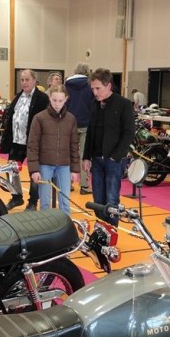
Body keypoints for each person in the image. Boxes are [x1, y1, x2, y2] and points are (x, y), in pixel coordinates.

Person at [82, 68, 135, 227]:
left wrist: (116, 156)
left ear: (109, 86)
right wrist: (86, 157)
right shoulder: (93, 105)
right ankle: (101, 229)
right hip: (96, 160)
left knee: (112, 199)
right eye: (92, 89)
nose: (95, 92)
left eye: (98, 88)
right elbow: (90, 132)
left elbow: (129, 133)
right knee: (98, 199)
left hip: (114, 160)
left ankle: (112, 231)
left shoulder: (124, 104)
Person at [0, 69, 50, 211]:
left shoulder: (42, 98)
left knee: (34, 172)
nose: (24, 82)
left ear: (34, 81)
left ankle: (33, 202)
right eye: (22, 80)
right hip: (16, 141)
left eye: (27, 80)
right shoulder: (18, 96)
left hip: (33, 142)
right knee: (11, 171)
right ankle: (16, 197)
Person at [27, 85, 80, 215]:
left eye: (60, 101)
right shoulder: (39, 118)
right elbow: (32, 145)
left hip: (64, 166)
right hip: (45, 165)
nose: (57, 104)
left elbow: (74, 145)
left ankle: (66, 226)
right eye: (54, 100)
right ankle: (45, 226)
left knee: (65, 201)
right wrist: (34, 170)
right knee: (44, 202)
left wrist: (75, 169)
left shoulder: (71, 119)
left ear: (66, 99)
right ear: (49, 98)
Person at [64, 63, 94, 195]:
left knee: (69, 153)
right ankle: (84, 185)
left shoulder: (66, 85)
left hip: (69, 122)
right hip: (86, 123)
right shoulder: (90, 85)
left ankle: (68, 183)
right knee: (84, 155)